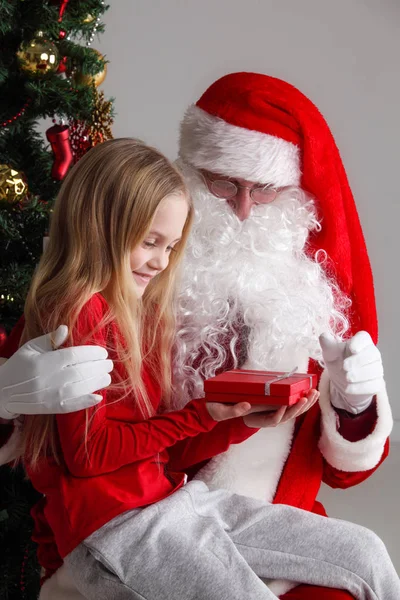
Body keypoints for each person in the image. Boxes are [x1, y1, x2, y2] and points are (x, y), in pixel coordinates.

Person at [0, 73, 394, 600]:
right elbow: (89, 454)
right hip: (125, 526)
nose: (244, 208)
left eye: (266, 188)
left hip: (188, 501)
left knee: (365, 554)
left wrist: (335, 406)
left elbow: (154, 452)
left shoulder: (302, 296)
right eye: (225, 183)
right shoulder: (99, 308)